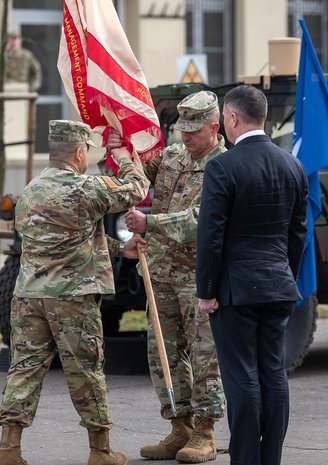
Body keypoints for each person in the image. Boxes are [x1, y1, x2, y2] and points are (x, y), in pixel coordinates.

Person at [0, 120, 149, 465]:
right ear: (79, 153)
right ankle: (100, 451)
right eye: (87, 153)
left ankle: (8, 449)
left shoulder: (30, 190)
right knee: (86, 371)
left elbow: (66, 238)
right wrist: (123, 156)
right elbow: (137, 188)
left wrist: (120, 250)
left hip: (30, 295)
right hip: (71, 299)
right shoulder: (85, 189)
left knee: (25, 369)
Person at [111, 91, 226, 463]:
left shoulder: (224, 166)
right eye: (182, 130)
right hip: (159, 271)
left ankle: (206, 432)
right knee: (163, 352)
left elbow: (202, 219)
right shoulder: (173, 156)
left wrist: (150, 222)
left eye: (194, 131)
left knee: (205, 354)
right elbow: (134, 180)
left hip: (198, 276)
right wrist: (118, 153)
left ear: (215, 126)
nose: (186, 138)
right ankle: (179, 425)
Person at [195, 85, 307, 465]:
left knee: (241, 377)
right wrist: (284, 277)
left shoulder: (222, 166)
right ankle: (269, 458)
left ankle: (245, 459)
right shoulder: (292, 164)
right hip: (278, 286)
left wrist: (206, 291)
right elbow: (297, 233)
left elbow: (210, 235)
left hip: (235, 291)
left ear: (232, 118)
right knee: (273, 373)